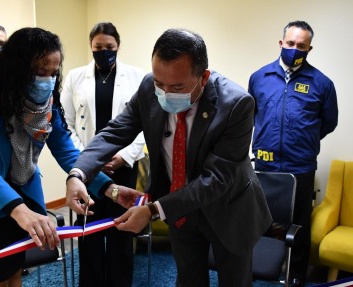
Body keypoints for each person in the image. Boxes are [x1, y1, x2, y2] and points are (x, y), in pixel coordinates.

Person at [66, 28, 272, 287]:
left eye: (177, 87)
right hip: (179, 208)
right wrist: (79, 173)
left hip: (228, 208)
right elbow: (116, 131)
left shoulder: (237, 104)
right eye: (159, 84)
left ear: (203, 77)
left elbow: (217, 179)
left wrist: (154, 210)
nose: (165, 93)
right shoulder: (148, 87)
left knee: (235, 281)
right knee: (188, 278)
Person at [0, 27, 142, 287]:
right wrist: (18, 209)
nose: (46, 80)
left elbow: (66, 150)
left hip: (17, 189)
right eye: (39, 72)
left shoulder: (47, 99)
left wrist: (109, 188)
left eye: (53, 73)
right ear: (15, 67)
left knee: (13, 269)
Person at [248, 20, 338, 287]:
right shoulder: (259, 78)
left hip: (300, 167)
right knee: (261, 220)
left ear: (310, 48)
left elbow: (328, 122)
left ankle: (296, 274)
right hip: (264, 164)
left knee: (298, 225)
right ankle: (259, 268)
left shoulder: (322, 83)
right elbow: (252, 116)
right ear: (281, 43)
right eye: (290, 44)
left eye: (301, 46)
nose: (295, 49)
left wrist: (303, 140)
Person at [61, 22, 145, 287]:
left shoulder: (137, 76)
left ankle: (120, 281)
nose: (104, 51)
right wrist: (87, 157)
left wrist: (124, 156)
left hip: (123, 165)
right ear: (91, 47)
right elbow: (65, 124)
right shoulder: (75, 77)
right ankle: (92, 282)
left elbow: (145, 124)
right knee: (89, 229)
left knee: (122, 228)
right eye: (98, 47)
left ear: (117, 45)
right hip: (87, 167)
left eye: (109, 47)